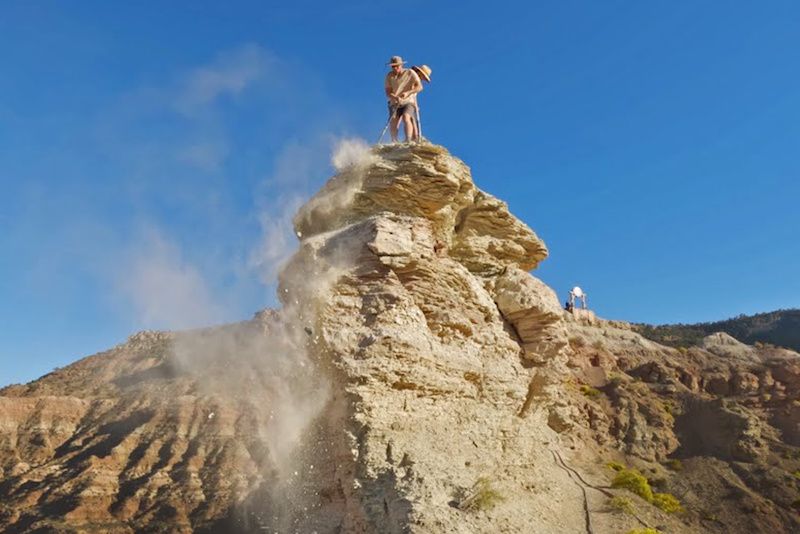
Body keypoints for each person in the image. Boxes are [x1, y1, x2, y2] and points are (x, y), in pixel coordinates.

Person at [384, 56, 423, 142]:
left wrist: (408, 93)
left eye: (397, 66)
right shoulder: (389, 76)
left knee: (406, 117)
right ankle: (394, 140)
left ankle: (408, 139)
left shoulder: (410, 72)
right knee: (394, 121)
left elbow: (419, 87)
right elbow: (388, 92)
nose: (395, 68)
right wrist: (395, 97)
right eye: (393, 66)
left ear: (401, 65)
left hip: (408, 101)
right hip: (394, 102)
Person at [409, 65, 432, 141]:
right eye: (422, 76)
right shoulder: (410, 79)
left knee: (412, 118)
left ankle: (415, 136)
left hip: (410, 101)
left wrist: (416, 105)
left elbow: (414, 96)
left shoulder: (417, 82)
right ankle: (414, 136)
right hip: (406, 100)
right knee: (409, 118)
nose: (422, 78)